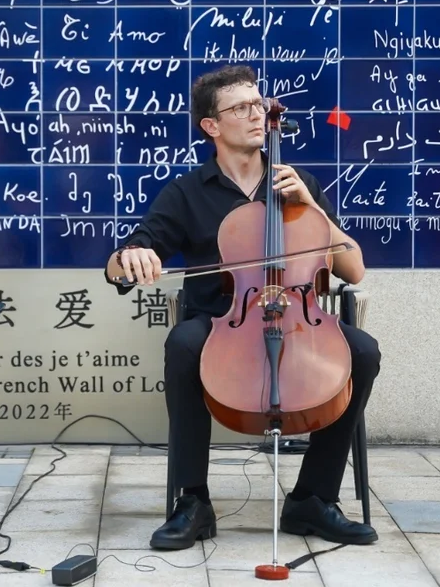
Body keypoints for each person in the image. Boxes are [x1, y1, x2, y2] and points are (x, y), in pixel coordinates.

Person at [102, 64, 382, 551]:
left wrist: (312, 208)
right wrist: (130, 257)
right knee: (183, 344)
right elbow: (122, 261)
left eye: (259, 104)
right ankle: (193, 501)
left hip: (299, 321)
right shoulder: (187, 192)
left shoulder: (297, 183)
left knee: (362, 352)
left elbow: (353, 269)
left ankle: (313, 498)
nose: (257, 114)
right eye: (242, 108)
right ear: (212, 125)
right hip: (221, 326)